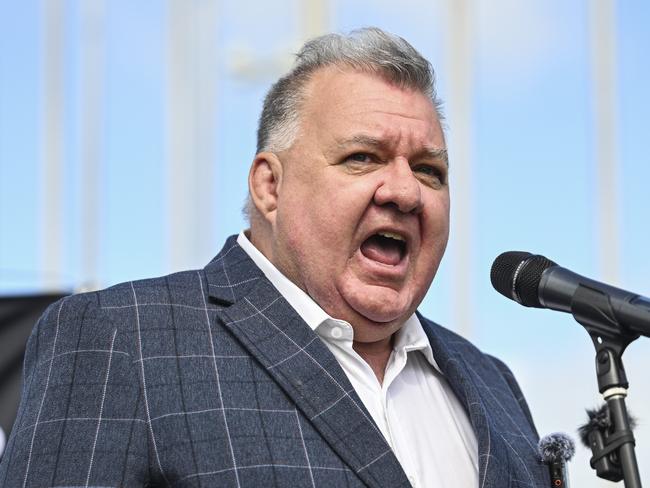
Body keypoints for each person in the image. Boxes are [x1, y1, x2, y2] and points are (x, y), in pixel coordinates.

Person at [0, 28, 549, 487]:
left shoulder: (493, 382)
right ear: (269, 186)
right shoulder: (118, 337)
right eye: (362, 157)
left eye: (430, 170)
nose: (405, 192)